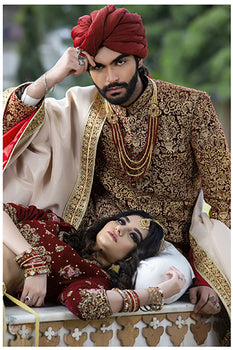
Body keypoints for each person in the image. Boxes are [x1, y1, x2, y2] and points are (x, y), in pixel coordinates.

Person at [3, 5, 230, 319]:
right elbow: (10, 127)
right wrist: (54, 76)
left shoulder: (193, 106)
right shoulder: (84, 108)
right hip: (89, 252)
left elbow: (223, 200)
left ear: (140, 58)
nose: (109, 78)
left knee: (158, 277)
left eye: (120, 62)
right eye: (98, 67)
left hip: (163, 253)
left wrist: (206, 278)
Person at [3, 202, 187, 319]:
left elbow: (84, 304)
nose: (119, 230)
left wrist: (156, 294)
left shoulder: (94, 278)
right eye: (121, 222)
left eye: (133, 236)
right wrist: (32, 260)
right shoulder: (60, 225)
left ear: (132, 256)